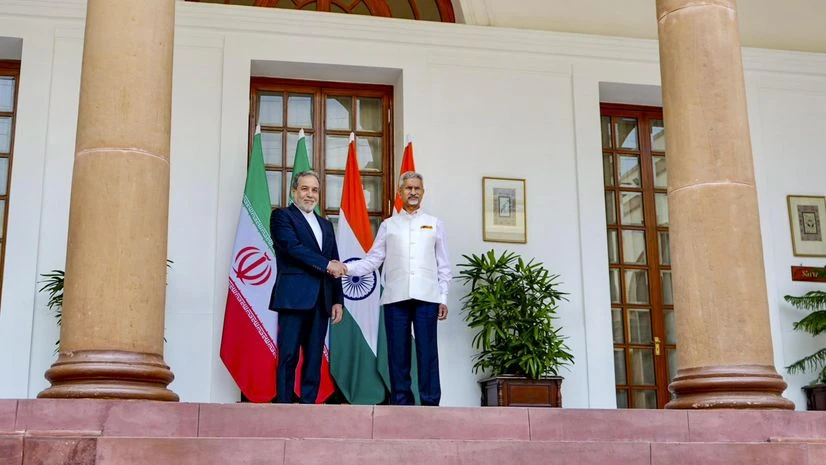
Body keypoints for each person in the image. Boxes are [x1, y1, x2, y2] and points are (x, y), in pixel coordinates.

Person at [336, 171, 451, 406]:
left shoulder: (434, 223)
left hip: (427, 297)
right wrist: (346, 269)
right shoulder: (389, 225)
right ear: (400, 193)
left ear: (423, 192)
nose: (413, 192)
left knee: (427, 353)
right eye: (408, 188)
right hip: (395, 298)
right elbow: (373, 260)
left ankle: (430, 402)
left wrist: (443, 297)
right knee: (398, 354)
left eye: (417, 188)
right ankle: (402, 402)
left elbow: (444, 265)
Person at [269, 170, 345, 403]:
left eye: (314, 190)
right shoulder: (281, 216)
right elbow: (292, 248)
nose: (310, 194)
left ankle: (309, 406)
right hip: (293, 297)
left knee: (314, 358)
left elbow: (335, 258)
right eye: (304, 188)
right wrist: (326, 265)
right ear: (294, 191)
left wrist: (337, 300)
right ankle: (283, 404)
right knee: (289, 355)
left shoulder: (326, 225)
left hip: (321, 299)